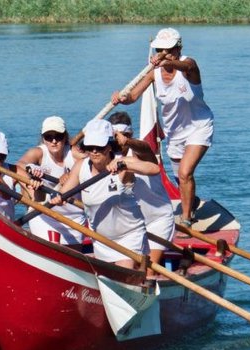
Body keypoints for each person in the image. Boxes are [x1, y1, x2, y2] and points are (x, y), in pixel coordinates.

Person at [111, 27, 214, 230]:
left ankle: (186, 219)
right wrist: (121, 98)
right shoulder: (154, 73)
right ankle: (190, 200)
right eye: (160, 49)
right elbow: (133, 96)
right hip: (175, 132)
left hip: (199, 126)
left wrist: (167, 61)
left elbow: (184, 65)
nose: (163, 53)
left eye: (168, 50)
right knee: (180, 177)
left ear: (178, 48)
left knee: (185, 173)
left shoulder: (189, 65)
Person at [51, 119, 160, 269]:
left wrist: (125, 165)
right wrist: (58, 198)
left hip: (129, 237)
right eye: (90, 147)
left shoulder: (122, 163)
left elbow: (154, 169)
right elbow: (64, 194)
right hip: (101, 240)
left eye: (99, 147)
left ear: (109, 146)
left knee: (124, 274)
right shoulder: (80, 166)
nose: (94, 151)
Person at [109, 111, 175, 276]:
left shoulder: (139, 151)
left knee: (147, 272)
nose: (120, 140)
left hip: (158, 220)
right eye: (116, 136)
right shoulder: (105, 155)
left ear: (131, 134)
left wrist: (128, 142)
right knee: (129, 271)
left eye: (125, 135)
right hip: (131, 224)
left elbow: (145, 147)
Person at [16, 116, 86, 251]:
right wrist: (32, 171)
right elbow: (20, 164)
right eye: (49, 137)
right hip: (43, 213)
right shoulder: (38, 152)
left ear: (65, 137)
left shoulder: (73, 152)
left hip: (73, 215)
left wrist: (73, 175)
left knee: (74, 258)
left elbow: (91, 163)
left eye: (58, 136)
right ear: (43, 138)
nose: (54, 141)